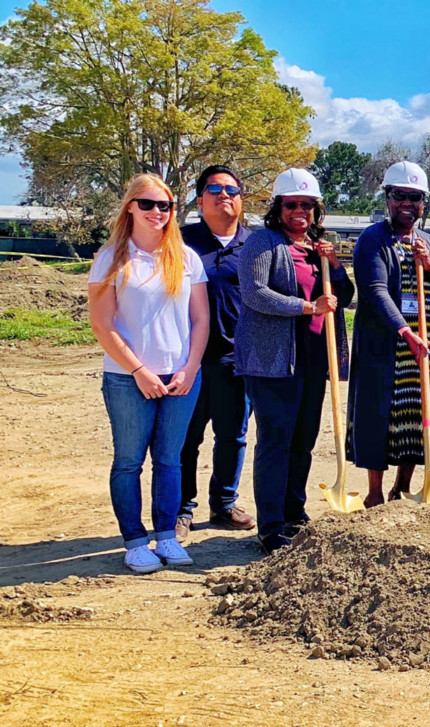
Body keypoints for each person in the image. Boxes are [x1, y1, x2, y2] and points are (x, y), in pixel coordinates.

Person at [87, 174, 209, 573]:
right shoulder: (111, 259)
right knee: (128, 461)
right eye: (148, 204)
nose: (157, 212)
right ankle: (135, 541)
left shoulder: (185, 257)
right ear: (130, 207)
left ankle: (167, 537)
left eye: (165, 206)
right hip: (127, 379)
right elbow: (103, 325)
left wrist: (190, 368)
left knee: (170, 460)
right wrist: (138, 371)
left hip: (180, 378)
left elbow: (201, 320)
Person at [237, 169, 354, 553]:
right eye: (292, 205)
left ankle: (293, 512)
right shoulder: (263, 243)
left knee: (302, 441)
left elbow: (344, 295)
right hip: (273, 362)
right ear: (279, 207)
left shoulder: (317, 247)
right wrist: (307, 307)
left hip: (313, 360)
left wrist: (335, 266)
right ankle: (270, 526)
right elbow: (255, 293)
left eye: (307, 205)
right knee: (275, 441)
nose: (299, 211)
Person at [348, 161, 430, 506]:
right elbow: (375, 290)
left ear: (424, 203)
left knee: (417, 414)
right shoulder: (373, 239)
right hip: (386, 346)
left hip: (425, 345)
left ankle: (403, 487)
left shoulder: (427, 241)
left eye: (415, 198)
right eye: (400, 196)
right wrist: (403, 331)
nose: (407, 204)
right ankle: (374, 492)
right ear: (388, 197)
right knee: (379, 414)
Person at [177, 165, 255, 540]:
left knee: (232, 436)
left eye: (232, 190)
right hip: (186, 358)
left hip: (237, 361)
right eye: (214, 189)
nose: (225, 195)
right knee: (186, 437)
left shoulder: (256, 245)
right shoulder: (179, 242)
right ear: (199, 199)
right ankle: (180, 509)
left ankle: (223, 503)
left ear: (242, 200)